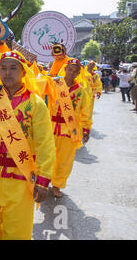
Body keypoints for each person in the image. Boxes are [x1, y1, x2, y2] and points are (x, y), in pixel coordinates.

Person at [0, 50, 55, 240]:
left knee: (17, 233)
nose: (7, 73)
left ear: (23, 72)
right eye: (3, 68)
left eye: (13, 68)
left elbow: (45, 143)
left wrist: (43, 179)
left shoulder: (36, 104)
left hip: (21, 177)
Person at [51, 58, 91, 197]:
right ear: (65, 69)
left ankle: (57, 185)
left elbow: (85, 111)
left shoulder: (80, 91)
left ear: (78, 73)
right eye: (70, 69)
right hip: (49, 127)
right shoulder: (53, 83)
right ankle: (41, 182)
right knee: (45, 157)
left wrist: (86, 129)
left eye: (75, 71)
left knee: (65, 160)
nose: (71, 73)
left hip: (70, 129)